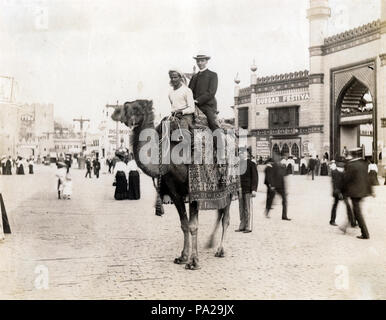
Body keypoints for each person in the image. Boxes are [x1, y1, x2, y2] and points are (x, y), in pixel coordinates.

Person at [340, 148, 373, 239]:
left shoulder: (351, 165)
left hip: (355, 192)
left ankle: (365, 233)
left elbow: (346, 179)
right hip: (363, 191)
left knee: (357, 212)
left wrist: (342, 190)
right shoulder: (364, 164)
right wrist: (370, 191)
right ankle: (346, 226)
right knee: (356, 210)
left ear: (353, 155)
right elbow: (367, 178)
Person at [235, 148, 258, 233]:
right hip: (240, 189)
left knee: (247, 208)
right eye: (239, 153)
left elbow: (255, 178)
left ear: (246, 154)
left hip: (248, 189)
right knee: (241, 208)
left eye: (242, 153)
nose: (240, 154)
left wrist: (254, 189)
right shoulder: (238, 164)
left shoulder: (252, 164)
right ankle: (242, 225)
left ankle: (248, 227)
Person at [264, 154, 291, 221]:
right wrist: (271, 185)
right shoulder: (272, 166)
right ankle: (267, 211)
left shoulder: (281, 166)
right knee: (270, 199)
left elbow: (283, 178)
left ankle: (284, 216)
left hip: (281, 187)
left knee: (284, 201)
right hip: (274, 186)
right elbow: (270, 176)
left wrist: (285, 189)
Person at [329, 160, 355, 227]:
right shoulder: (337, 173)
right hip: (339, 192)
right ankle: (352, 222)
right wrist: (339, 193)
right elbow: (335, 184)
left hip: (342, 191)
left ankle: (351, 221)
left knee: (337, 205)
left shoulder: (337, 172)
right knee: (344, 206)